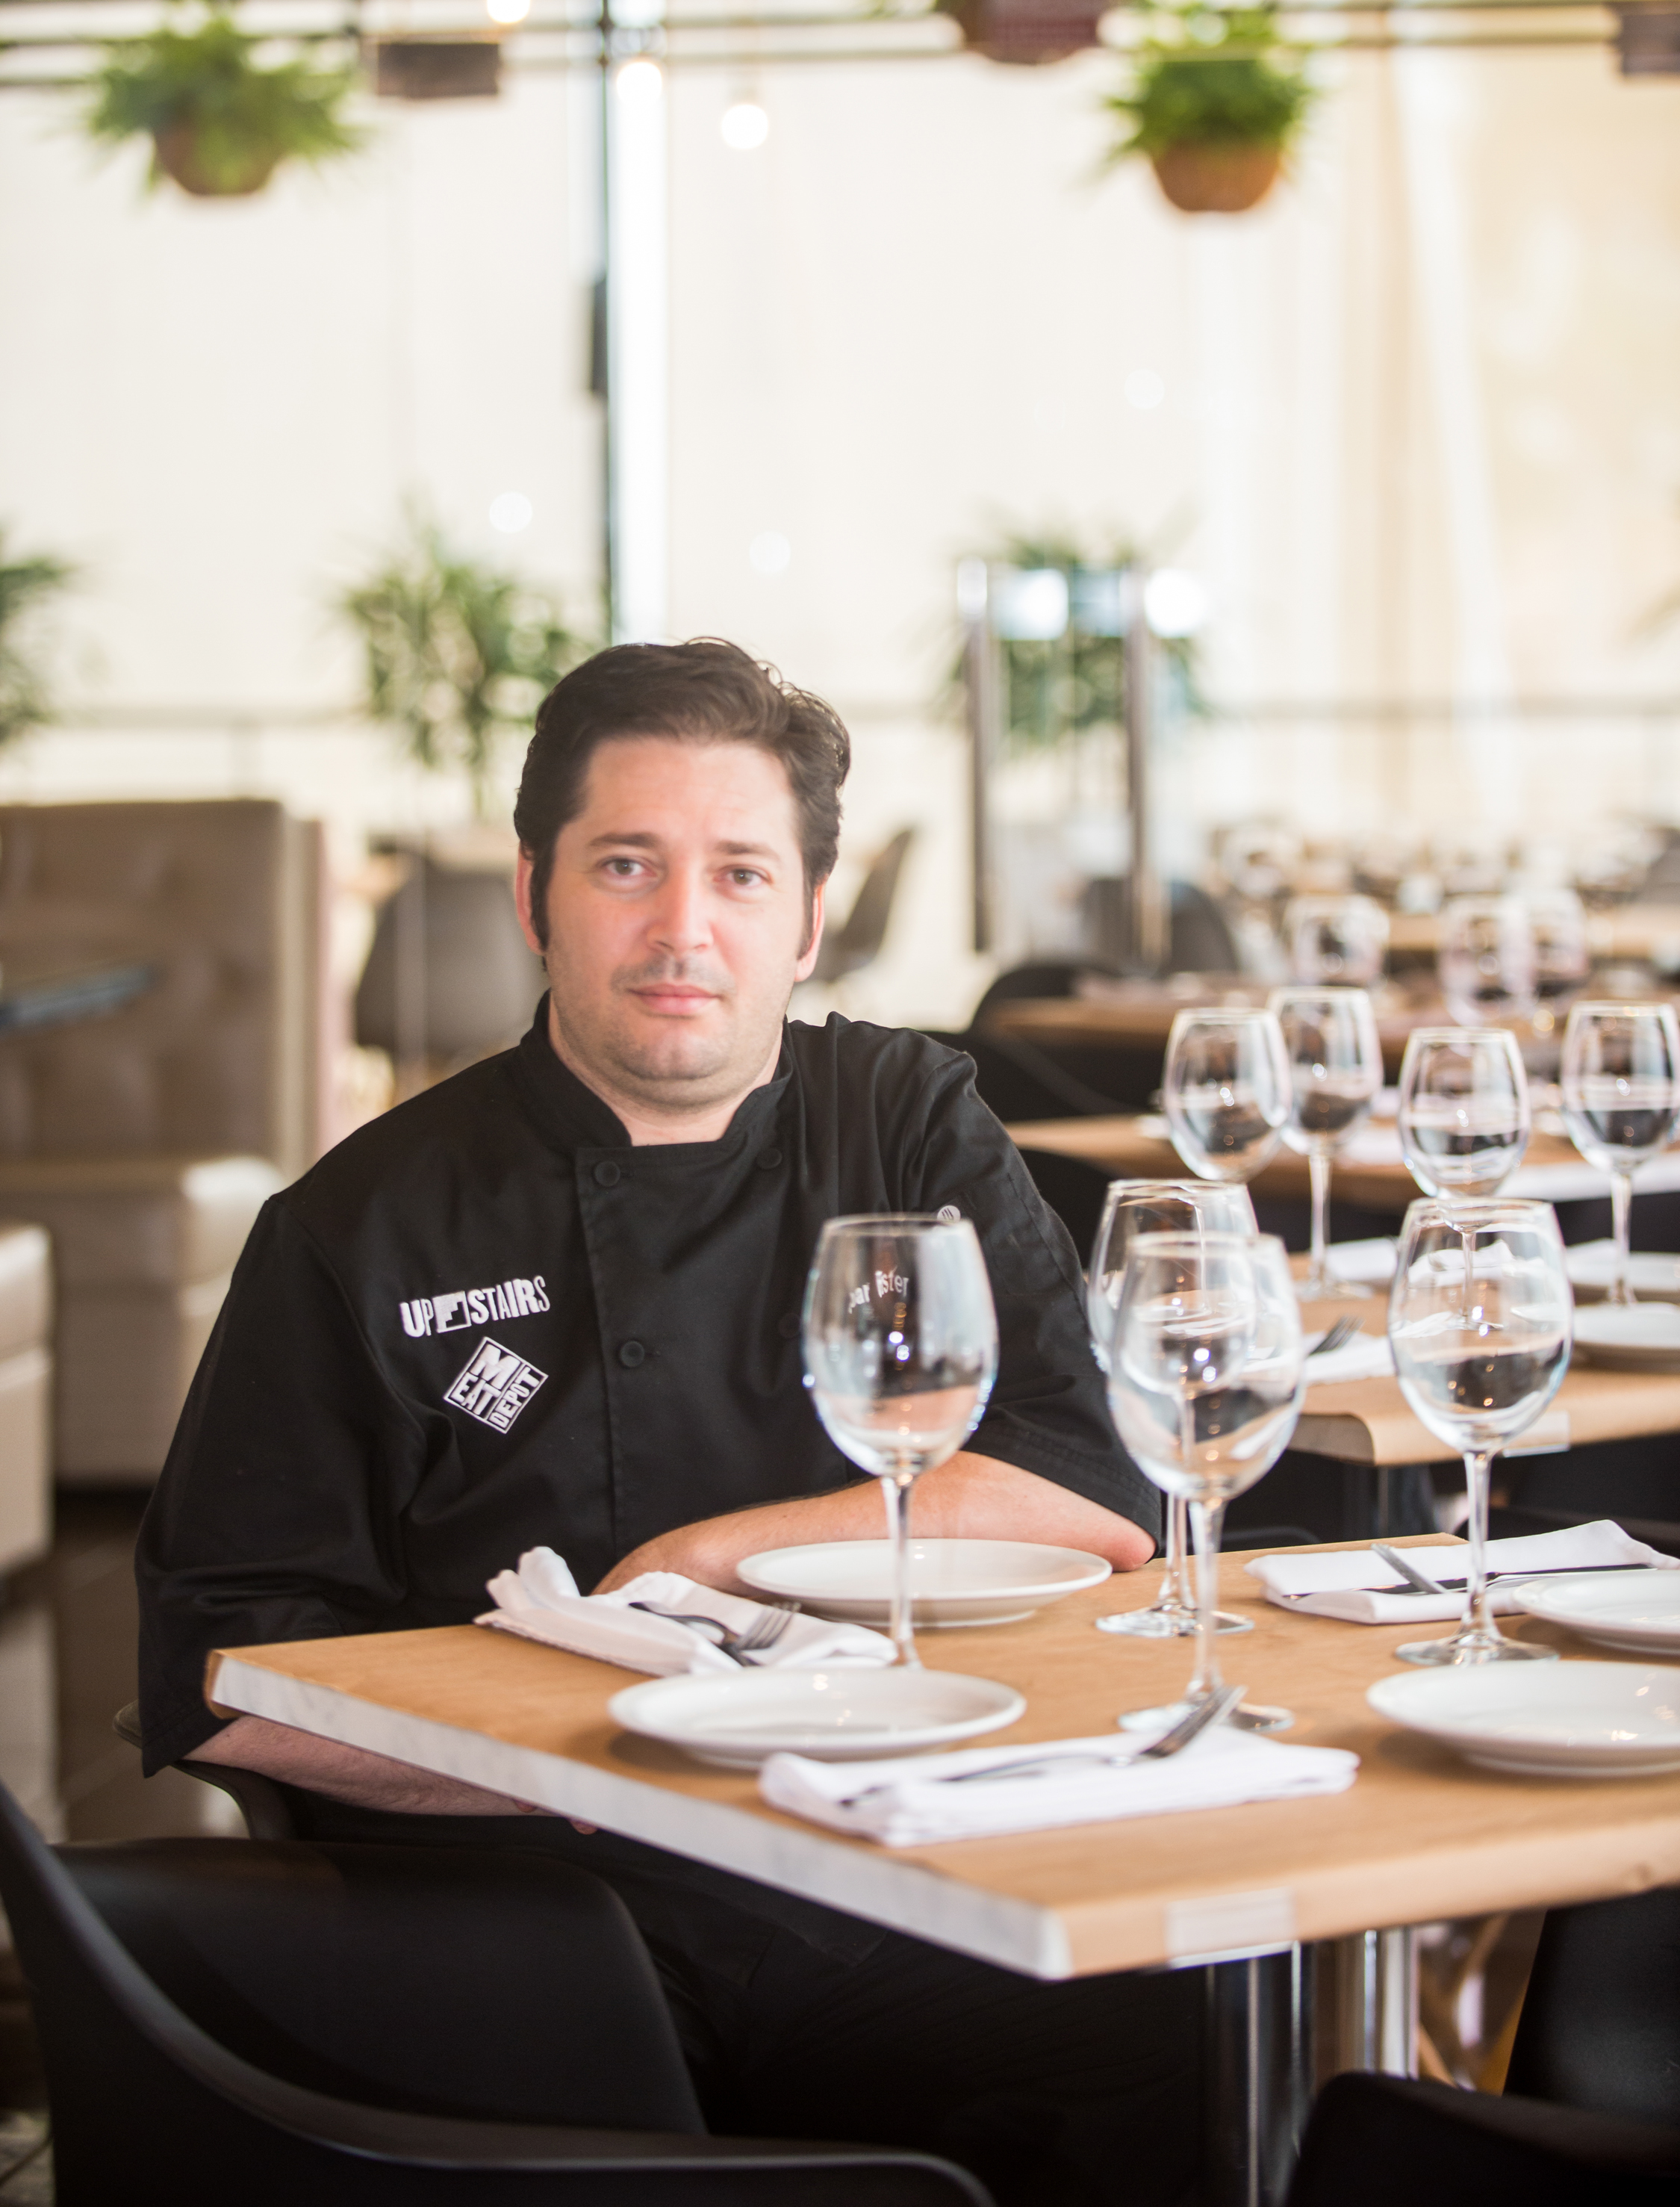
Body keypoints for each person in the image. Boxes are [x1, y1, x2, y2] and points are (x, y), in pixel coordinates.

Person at [137, 638, 1201, 2207]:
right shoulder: (360, 1224)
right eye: (626, 864)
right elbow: (215, 1670)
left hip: (901, 1863)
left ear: (810, 919)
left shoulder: (902, 1122)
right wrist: (591, 1753)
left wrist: (705, 1565)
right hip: (531, 1907)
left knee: (1174, 2038)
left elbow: (1089, 1481)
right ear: (535, 897)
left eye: (741, 875)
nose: (683, 928)